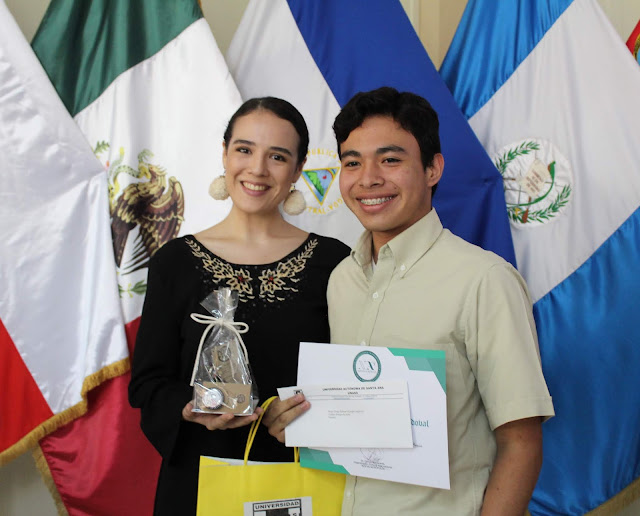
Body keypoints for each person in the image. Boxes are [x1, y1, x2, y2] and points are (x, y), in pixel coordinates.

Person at [326, 87, 555, 515]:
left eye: (390, 160)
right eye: (351, 162)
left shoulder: (484, 280)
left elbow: (521, 442)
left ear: (433, 168)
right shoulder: (342, 280)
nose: (368, 178)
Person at [128, 97, 350, 516]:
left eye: (278, 156)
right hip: (199, 481)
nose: (258, 169)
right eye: (244, 150)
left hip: (304, 478)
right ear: (225, 155)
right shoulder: (174, 262)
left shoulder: (334, 262)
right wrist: (193, 404)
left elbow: (357, 379)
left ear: (299, 170)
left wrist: (312, 411)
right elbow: (148, 384)